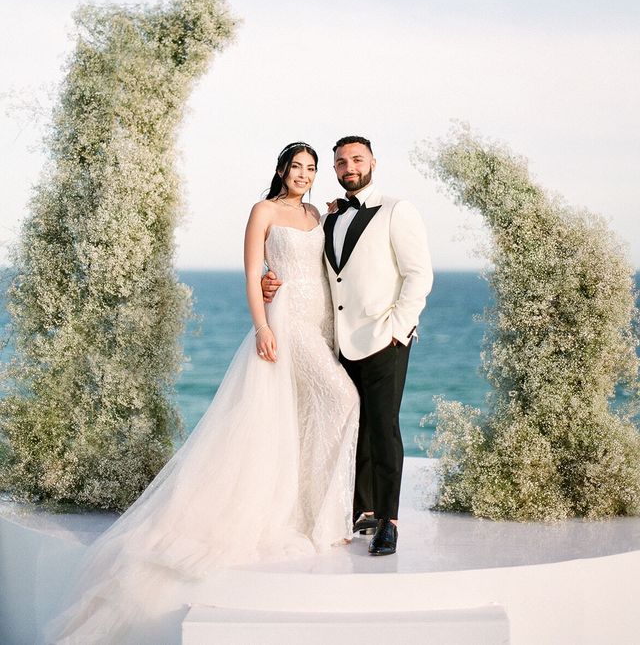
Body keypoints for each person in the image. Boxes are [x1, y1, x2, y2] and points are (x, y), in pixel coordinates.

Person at [44, 142, 359, 645]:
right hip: (286, 322)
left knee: (300, 416)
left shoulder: (319, 212)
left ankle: (313, 509)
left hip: (320, 321)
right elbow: (255, 274)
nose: (304, 174)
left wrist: (335, 214)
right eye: (296, 167)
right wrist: (261, 325)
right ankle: (324, 518)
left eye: (312, 169)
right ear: (281, 169)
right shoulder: (264, 210)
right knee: (344, 399)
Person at [263, 135, 433, 556]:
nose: (348, 167)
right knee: (353, 421)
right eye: (340, 162)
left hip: (384, 337)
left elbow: (419, 275)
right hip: (336, 337)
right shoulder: (330, 216)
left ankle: (389, 522)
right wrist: (271, 280)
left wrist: (398, 328)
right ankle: (361, 509)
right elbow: (309, 265)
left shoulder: (397, 210)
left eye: (356, 159)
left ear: (373, 161)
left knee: (384, 427)